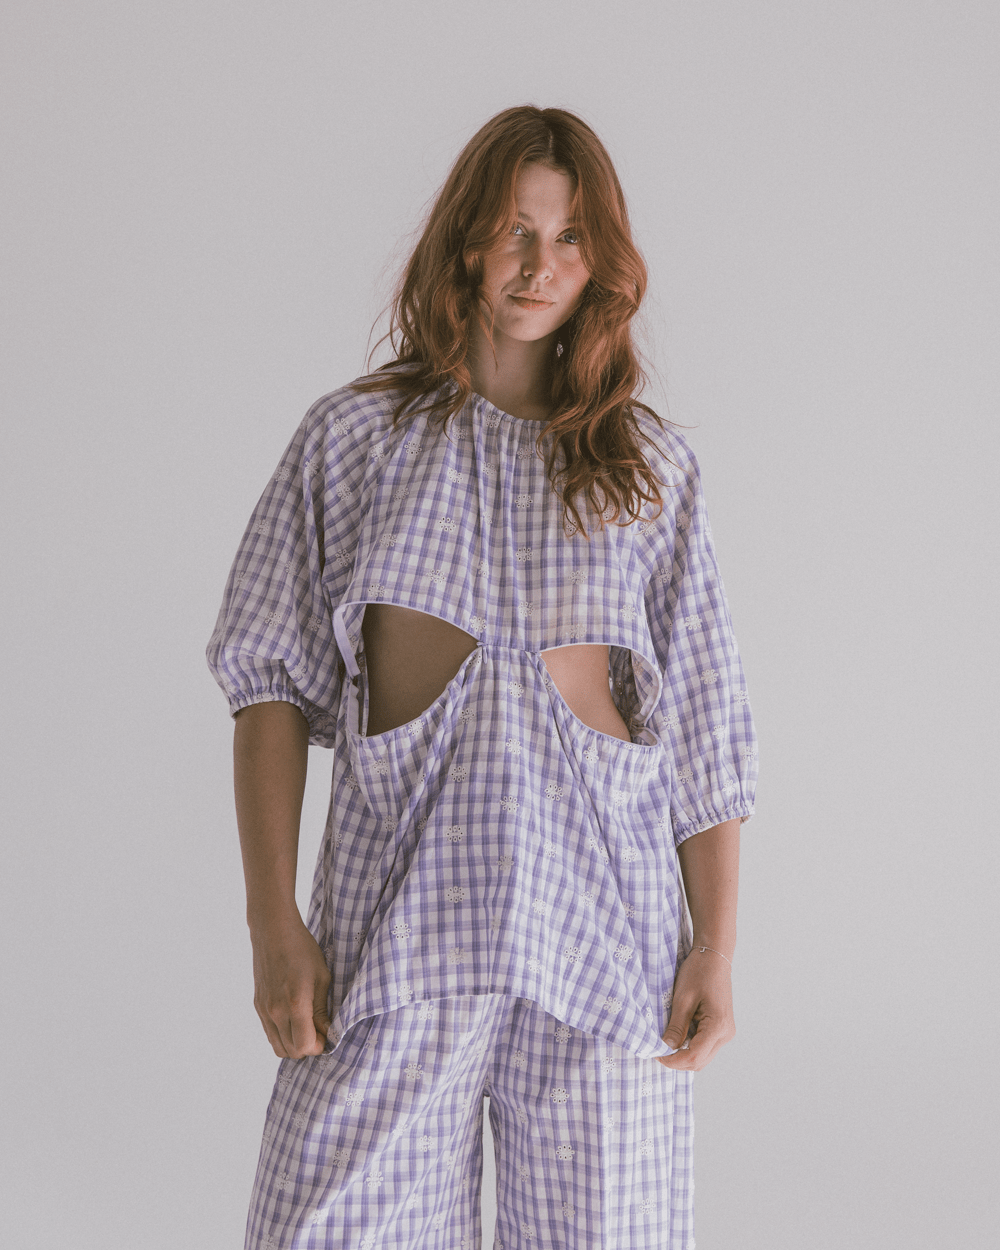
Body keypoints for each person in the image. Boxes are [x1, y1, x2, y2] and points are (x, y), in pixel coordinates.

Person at [207, 104, 757, 1250]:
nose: (536, 264)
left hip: (603, 945)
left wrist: (713, 944)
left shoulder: (649, 466)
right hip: (397, 935)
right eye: (514, 230)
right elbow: (270, 686)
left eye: (567, 238)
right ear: (465, 239)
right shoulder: (355, 440)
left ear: (599, 262)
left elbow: (704, 724)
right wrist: (273, 921)